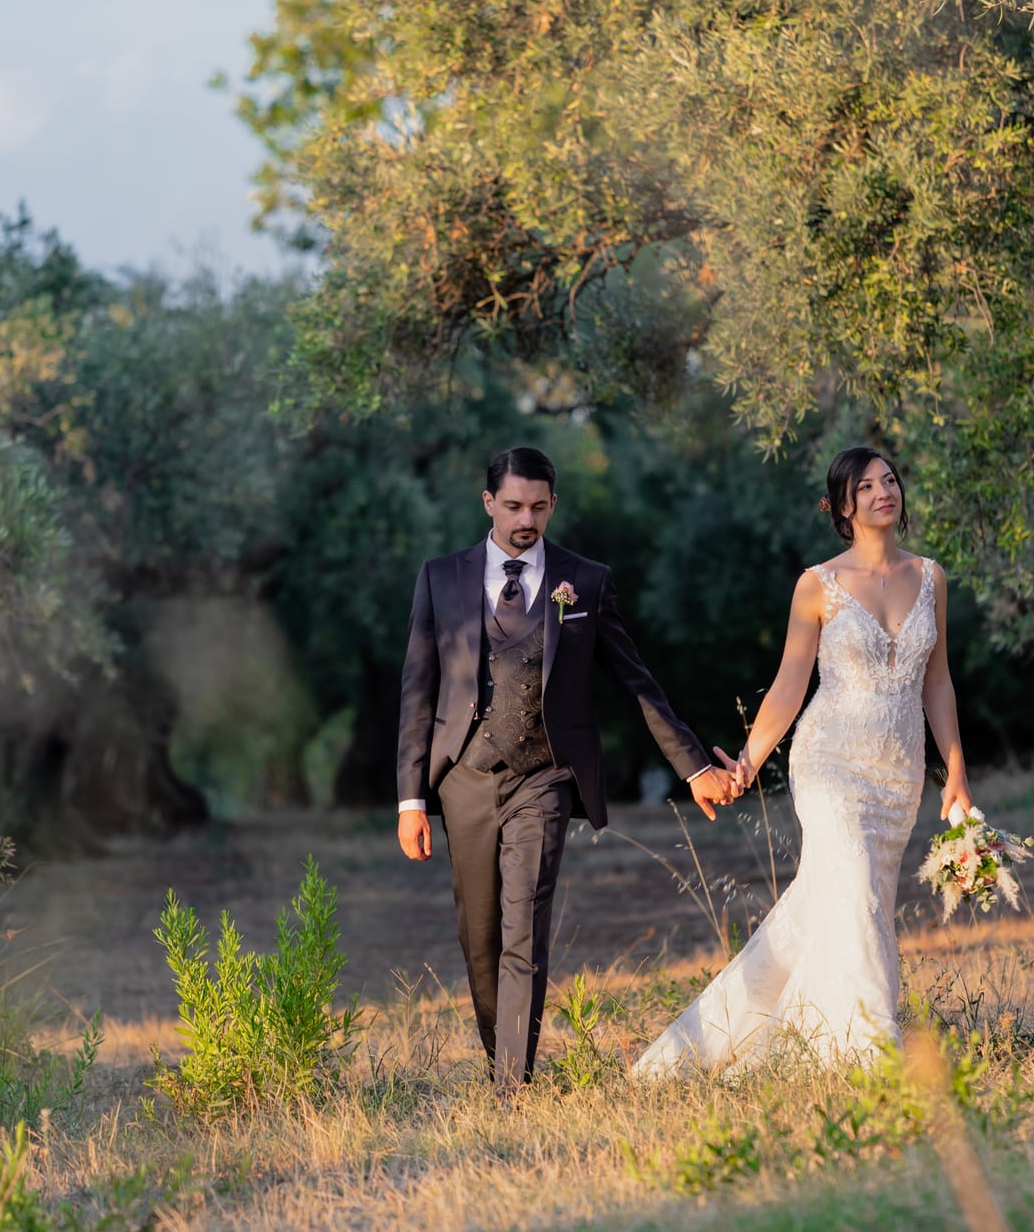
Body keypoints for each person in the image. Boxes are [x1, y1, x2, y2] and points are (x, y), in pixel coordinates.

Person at [396, 446, 743, 1094]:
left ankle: (512, 1089)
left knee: (524, 924)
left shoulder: (586, 580)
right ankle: (501, 1059)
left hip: (546, 776)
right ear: (488, 503)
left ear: (553, 504)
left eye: (538, 506)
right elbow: (418, 688)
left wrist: (693, 765)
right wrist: (410, 799)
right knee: (480, 939)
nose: (526, 519)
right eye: (513, 506)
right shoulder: (440, 577)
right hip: (464, 777)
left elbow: (637, 683)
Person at [632, 445, 974, 1076]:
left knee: (853, 901)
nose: (883, 492)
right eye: (865, 486)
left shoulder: (931, 577)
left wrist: (954, 772)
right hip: (829, 765)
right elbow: (790, 685)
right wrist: (747, 761)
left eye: (890, 480)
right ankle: (868, 1049)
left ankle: (746, 1039)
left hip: (898, 775)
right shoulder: (817, 585)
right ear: (842, 506)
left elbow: (938, 682)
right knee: (855, 892)